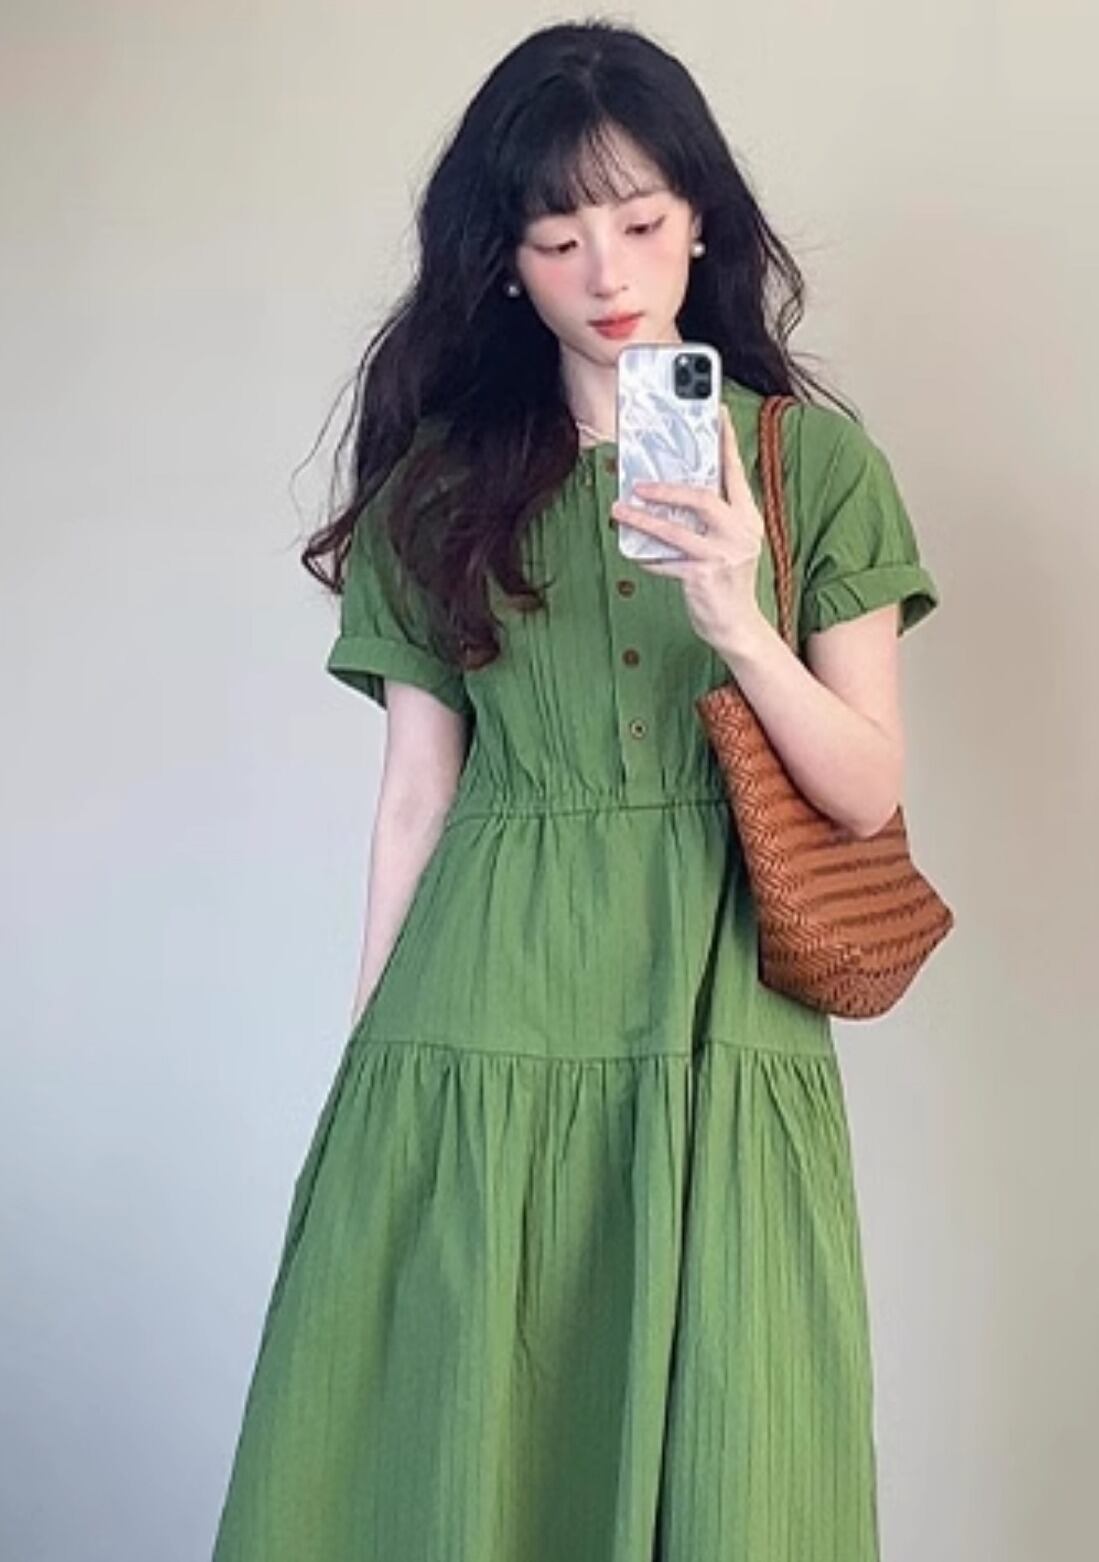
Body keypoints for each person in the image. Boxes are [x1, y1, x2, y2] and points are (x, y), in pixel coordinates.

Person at [212, 18, 941, 1562]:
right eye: (557, 238)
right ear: (502, 263)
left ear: (702, 223)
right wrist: (367, 1064)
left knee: (738, 1442)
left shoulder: (814, 468)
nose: (606, 271)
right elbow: (416, 797)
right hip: (483, 995)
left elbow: (867, 792)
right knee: (451, 1440)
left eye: (641, 222)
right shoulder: (439, 490)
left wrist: (736, 613)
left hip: (715, 1003)